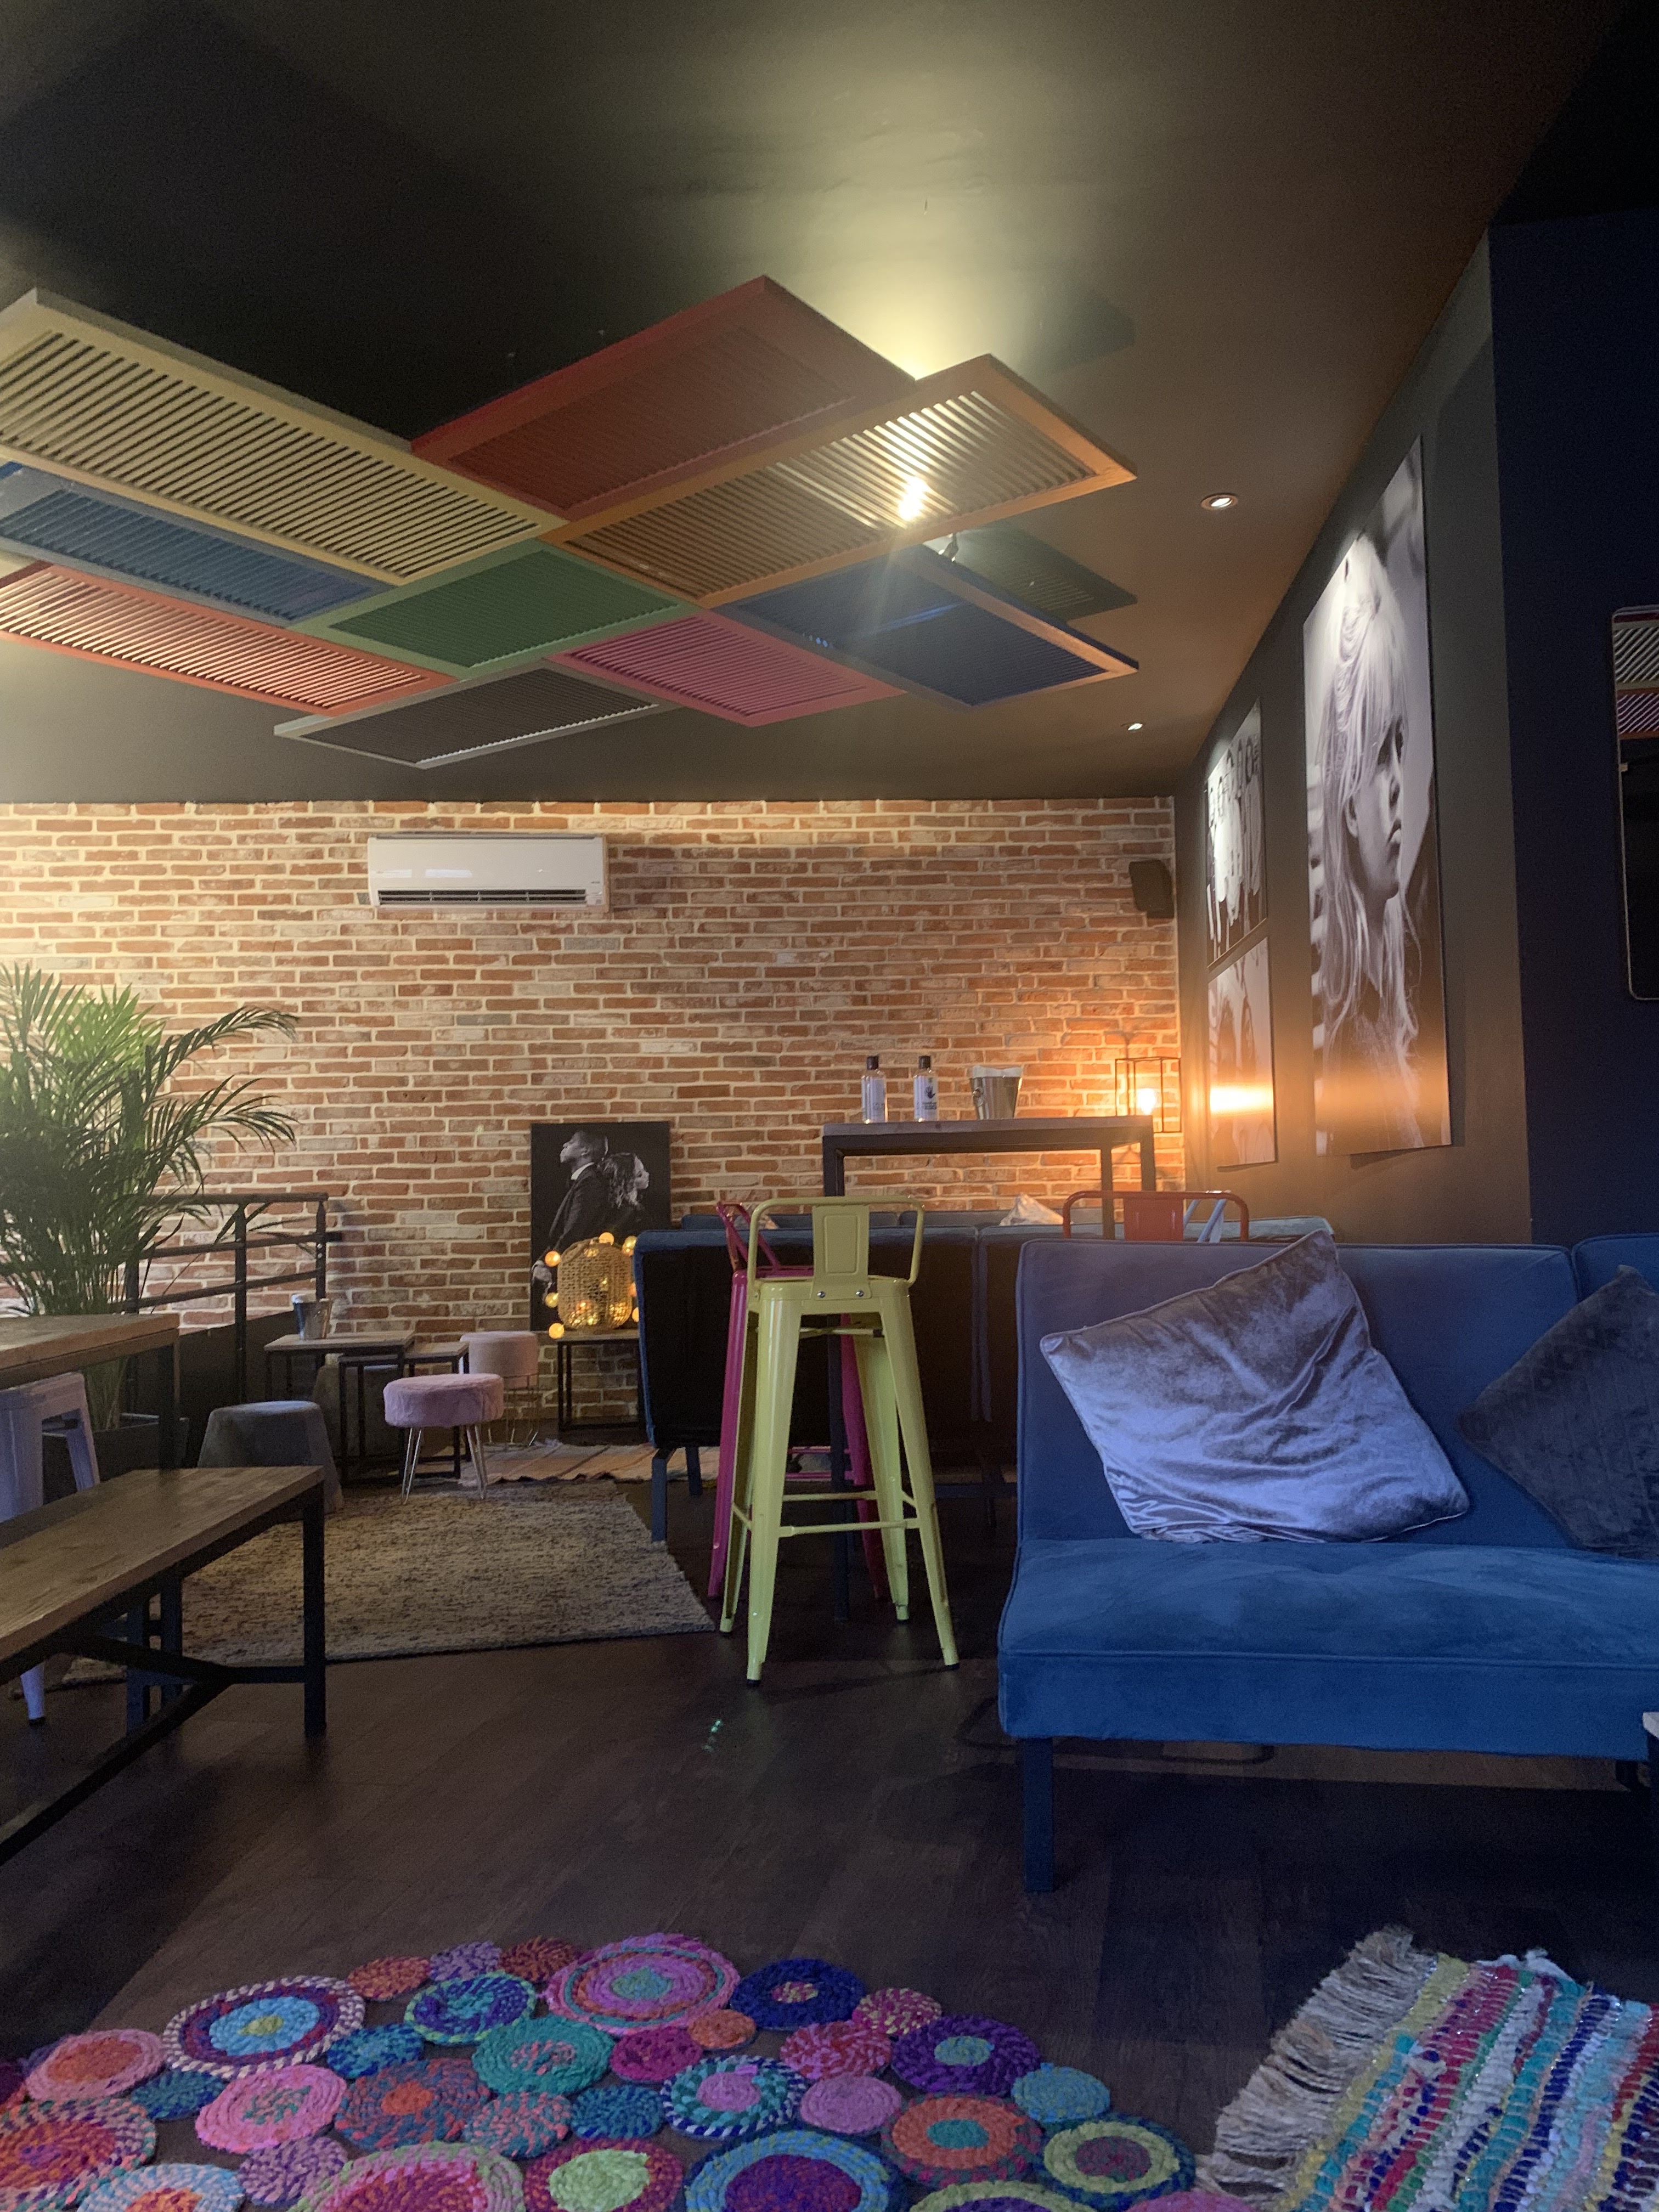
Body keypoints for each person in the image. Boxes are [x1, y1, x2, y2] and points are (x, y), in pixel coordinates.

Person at [1312, 536, 1425, 1153]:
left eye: (1400, 747)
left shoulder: (1391, 1004)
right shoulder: (1357, 1040)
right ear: (1351, 809)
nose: (1399, 784)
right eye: (1382, 755)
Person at [543, 1129, 618, 1251]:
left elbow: (574, 1232)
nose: (565, 1145)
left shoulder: (591, 1182)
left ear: (585, 1151)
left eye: (571, 1142)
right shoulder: (584, 1179)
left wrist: (549, 1260)